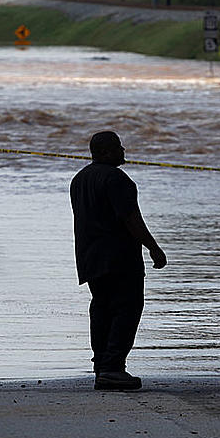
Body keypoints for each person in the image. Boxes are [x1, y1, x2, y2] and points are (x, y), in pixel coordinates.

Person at [70, 131, 167, 390]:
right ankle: (113, 367)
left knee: (101, 309)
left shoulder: (79, 179)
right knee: (127, 308)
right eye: (117, 147)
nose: (123, 150)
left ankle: (102, 365)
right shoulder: (117, 179)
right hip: (119, 257)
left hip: (90, 257)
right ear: (103, 152)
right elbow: (131, 218)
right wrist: (154, 247)